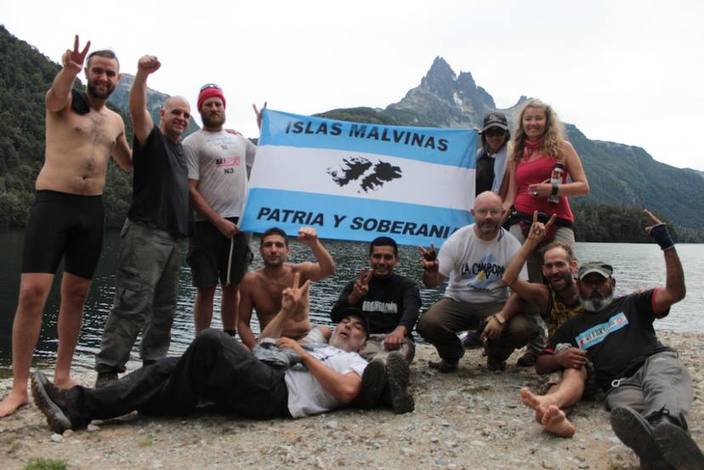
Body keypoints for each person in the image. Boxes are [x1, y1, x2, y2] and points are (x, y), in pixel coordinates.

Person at [31, 275, 371, 434]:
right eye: (345, 321)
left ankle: (166, 401)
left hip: (279, 396)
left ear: (362, 343)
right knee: (166, 366)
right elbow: (262, 346)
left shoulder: (354, 361)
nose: (347, 326)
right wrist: (286, 314)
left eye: (356, 328)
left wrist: (302, 353)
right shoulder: (318, 342)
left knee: (210, 339)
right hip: (260, 374)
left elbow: (345, 391)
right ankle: (79, 407)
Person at [0, 36, 132, 418]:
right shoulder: (63, 101)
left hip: (91, 212)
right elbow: (55, 96)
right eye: (97, 71)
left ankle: (61, 375)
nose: (103, 77)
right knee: (32, 293)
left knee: (75, 295)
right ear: (88, 74)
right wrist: (69, 69)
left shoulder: (114, 120)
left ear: (116, 79)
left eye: (109, 73)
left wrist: (158, 143)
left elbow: (127, 162)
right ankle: (20, 386)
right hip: (53, 205)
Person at [521, 210, 704, 469]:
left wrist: (666, 243)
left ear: (612, 283)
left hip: (653, 362)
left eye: (600, 281)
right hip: (618, 386)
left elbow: (675, 292)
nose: (594, 286)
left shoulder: (633, 303)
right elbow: (541, 363)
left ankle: (666, 428)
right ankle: (658, 448)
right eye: (588, 282)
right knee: (626, 412)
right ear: (579, 284)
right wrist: (560, 357)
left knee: (664, 387)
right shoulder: (572, 327)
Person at [94, 55, 192, 387]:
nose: (180, 117)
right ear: (162, 113)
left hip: (175, 240)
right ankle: (108, 371)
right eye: (175, 112)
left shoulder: (181, 151)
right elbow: (137, 110)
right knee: (132, 304)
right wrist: (141, 76)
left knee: (164, 309)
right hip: (145, 234)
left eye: (185, 115)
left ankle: (154, 367)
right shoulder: (151, 139)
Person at [416, 191, 539, 372]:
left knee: (524, 328)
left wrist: (502, 316)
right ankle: (451, 355)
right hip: (457, 301)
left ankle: (496, 356)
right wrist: (431, 271)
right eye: (482, 211)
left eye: (494, 212)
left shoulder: (512, 244)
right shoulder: (458, 239)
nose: (488, 216)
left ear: (503, 213)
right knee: (428, 323)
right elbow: (432, 283)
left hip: (494, 303)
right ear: (473, 213)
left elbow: (520, 291)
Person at [183, 84, 256, 335]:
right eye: (208, 104)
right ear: (200, 109)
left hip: (240, 222)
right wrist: (217, 221)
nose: (214, 108)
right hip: (206, 224)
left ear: (224, 107)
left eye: (218, 104)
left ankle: (228, 339)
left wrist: (264, 130)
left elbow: (267, 160)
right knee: (206, 288)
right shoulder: (192, 143)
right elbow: (190, 190)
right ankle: (201, 344)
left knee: (232, 286)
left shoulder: (239, 139)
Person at [502, 99, 589, 283]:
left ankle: (568, 311)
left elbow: (583, 187)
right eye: (528, 119)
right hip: (521, 220)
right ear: (522, 123)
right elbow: (510, 197)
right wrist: (493, 222)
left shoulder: (563, 148)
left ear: (547, 122)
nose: (533, 123)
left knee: (566, 276)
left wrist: (552, 189)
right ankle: (530, 312)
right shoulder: (516, 153)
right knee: (523, 277)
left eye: (538, 118)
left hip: (557, 221)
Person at [330, 236, 420, 413]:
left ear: (396, 260)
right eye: (377, 257)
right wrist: (354, 297)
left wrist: (400, 331)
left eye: (387, 257)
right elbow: (335, 315)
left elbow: (412, 310)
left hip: (394, 339)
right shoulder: (357, 284)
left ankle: (371, 388)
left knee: (384, 359)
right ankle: (387, 393)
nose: (382, 262)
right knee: (341, 349)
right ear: (370, 258)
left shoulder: (407, 286)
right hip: (364, 340)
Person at [238, 226, 335, 349]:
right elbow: (242, 323)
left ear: (287, 250)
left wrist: (314, 243)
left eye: (279, 245)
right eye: (268, 245)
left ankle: (293, 351)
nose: (273, 250)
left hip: (304, 339)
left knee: (325, 330)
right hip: (270, 340)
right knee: (241, 348)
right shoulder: (250, 281)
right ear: (261, 250)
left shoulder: (301, 271)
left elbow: (329, 269)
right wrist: (255, 350)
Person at [475, 112, 511, 197]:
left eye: (499, 132)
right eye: (490, 133)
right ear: (484, 135)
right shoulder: (476, 157)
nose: (495, 137)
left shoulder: (512, 159)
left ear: (506, 134)